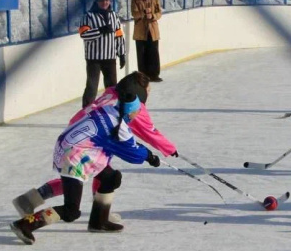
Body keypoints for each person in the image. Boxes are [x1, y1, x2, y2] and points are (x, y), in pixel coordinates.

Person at [11, 72, 179, 230]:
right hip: (80, 151)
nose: (149, 93)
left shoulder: (113, 96)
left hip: (78, 136)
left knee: (107, 177)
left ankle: (97, 218)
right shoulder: (131, 111)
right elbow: (146, 136)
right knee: (73, 203)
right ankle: (27, 224)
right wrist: (166, 150)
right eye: (148, 90)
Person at [80, 0, 126, 107]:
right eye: (101, 1)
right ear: (96, 2)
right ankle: (86, 111)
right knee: (92, 87)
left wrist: (121, 54)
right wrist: (100, 30)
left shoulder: (114, 15)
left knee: (112, 87)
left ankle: (111, 109)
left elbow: (119, 35)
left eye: (107, 0)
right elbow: (83, 34)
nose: (104, 3)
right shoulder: (88, 16)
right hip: (93, 59)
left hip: (110, 57)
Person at [131, 0, 164, 82]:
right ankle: (143, 76)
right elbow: (134, 14)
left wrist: (153, 16)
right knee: (141, 53)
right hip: (140, 30)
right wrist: (143, 13)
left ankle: (154, 74)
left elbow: (159, 13)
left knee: (153, 52)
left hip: (153, 29)